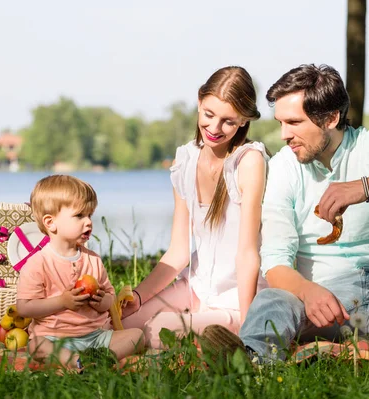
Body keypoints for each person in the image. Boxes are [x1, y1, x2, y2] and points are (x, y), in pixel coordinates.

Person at [203, 64, 369, 362]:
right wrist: (308, 292)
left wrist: (367, 186)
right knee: (271, 297)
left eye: (293, 122)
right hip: (325, 308)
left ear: (330, 119)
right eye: (280, 122)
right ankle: (250, 361)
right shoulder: (283, 168)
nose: (284, 135)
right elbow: (276, 263)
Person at [120, 66, 270, 348]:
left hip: (236, 300)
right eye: (209, 115)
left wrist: (249, 325)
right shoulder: (186, 160)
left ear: (244, 121)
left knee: (159, 330)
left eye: (228, 121)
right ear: (200, 102)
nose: (214, 128)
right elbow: (178, 252)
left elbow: (248, 253)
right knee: (122, 324)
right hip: (196, 289)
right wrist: (138, 297)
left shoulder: (248, 161)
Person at [16, 175, 144, 371]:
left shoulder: (93, 260)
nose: (88, 222)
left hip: (95, 336)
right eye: (79, 216)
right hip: (55, 337)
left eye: (90, 215)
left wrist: (103, 302)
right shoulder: (37, 264)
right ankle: (77, 361)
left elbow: (110, 298)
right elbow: (24, 308)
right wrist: (62, 302)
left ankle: (98, 359)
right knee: (37, 345)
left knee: (137, 336)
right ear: (50, 223)